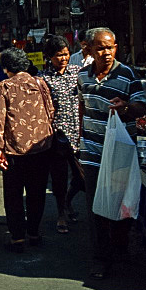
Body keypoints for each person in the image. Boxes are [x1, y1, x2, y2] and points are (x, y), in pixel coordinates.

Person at [78, 27, 146, 280]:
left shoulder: (127, 74)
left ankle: (120, 247)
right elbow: (82, 108)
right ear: (89, 50)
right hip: (92, 151)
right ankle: (100, 258)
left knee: (121, 203)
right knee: (96, 208)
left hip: (119, 152)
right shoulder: (83, 76)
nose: (107, 53)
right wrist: (79, 144)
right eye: (101, 48)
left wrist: (126, 107)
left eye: (111, 47)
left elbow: (142, 106)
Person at [0, 47, 55, 253]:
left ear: (6, 68)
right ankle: (33, 233)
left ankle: (17, 238)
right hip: (41, 148)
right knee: (36, 192)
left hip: (14, 150)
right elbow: (50, 111)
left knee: (13, 195)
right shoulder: (40, 82)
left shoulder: (4, 86)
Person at [41, 35, 84, 234]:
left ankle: (68, 200)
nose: (64, 59)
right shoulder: (43, 79)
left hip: (78, 134)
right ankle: (61, 213)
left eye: (66, 54)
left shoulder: (78, 73)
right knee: (58, 177)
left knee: (82, 177)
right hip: (56, 135)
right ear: (49, 57)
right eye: (59, 55)